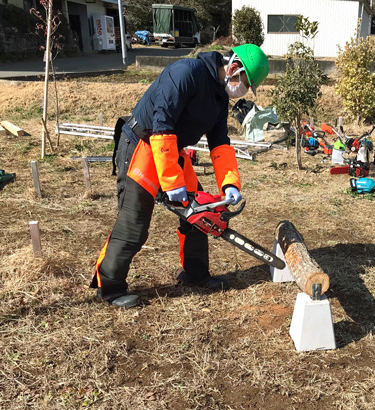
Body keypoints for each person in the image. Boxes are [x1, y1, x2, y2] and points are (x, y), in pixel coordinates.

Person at [90, 44, 270, 308]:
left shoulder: (220, 98)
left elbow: (220, 144)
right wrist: (172, 183)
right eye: (245, 82)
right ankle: (110, 286)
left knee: (200, 214)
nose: (242, 90)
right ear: (233, 69)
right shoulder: (186, 73)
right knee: (134, 223)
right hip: (142, 144)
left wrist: (230, 182)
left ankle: (194, 274)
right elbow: (162, 122)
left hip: (170, 150)